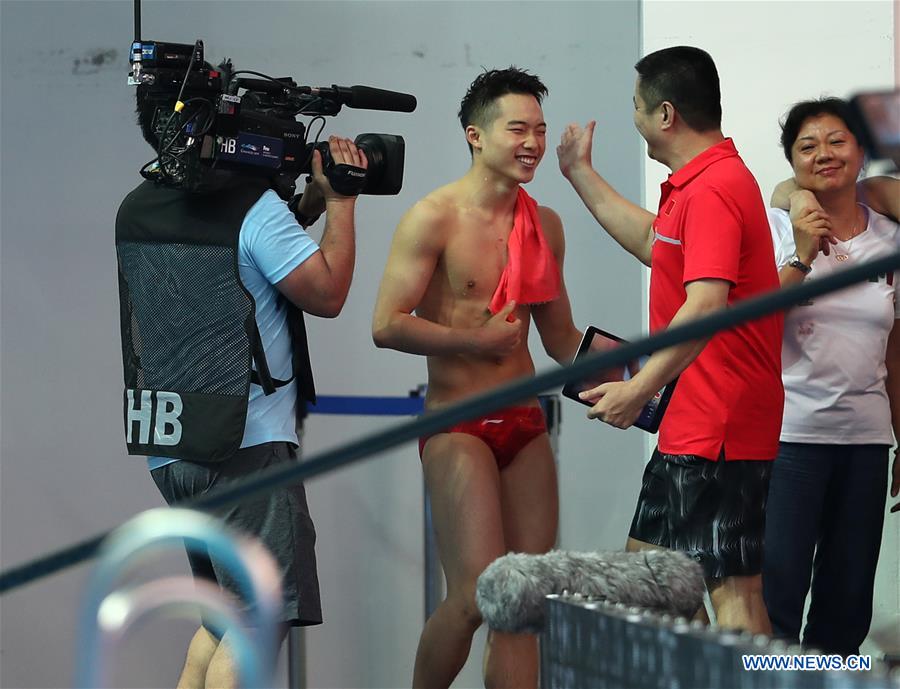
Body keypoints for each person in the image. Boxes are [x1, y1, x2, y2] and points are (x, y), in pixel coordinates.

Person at [116, 83, 367, 689]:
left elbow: (233, 258)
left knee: (223, 621)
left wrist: (295, 209)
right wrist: (341, 202)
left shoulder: (136, 207)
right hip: (247, 449)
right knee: (257, 621)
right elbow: (327, 293)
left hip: (172, 444)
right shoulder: (254, 213)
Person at [556, 46, 783, 634]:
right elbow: (659, 251)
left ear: (665, 114)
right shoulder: (703, 182)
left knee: (722, 591)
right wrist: (581, 173)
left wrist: (639, 390)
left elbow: (705, 306)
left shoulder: (712, 189)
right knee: (663, 585)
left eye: (635, 107)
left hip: (718, 427)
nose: (632, 119)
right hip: (704, 419)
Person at [371, 67, 581, 689]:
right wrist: (473, 340)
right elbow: (385, 324)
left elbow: (563, 341)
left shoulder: (544, 223)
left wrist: (645, 378)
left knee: (525, 603)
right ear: (475, 135)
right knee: (473, 596)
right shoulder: (433, 217)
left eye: (540, 130)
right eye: (518, 128)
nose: (533, 143)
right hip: (456, 422)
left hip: (523, 421)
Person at [762, 98, 900, 656]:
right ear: (791, 162)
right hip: (790, 438)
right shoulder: (774, 225)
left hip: (866, 443)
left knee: (847, 607)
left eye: (838, 141)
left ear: (862, 151)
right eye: (808, 146)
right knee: (775, 602)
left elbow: (896, 347)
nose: (825, 154)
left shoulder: (890, 238)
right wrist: (798, 245)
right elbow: (754, 320)